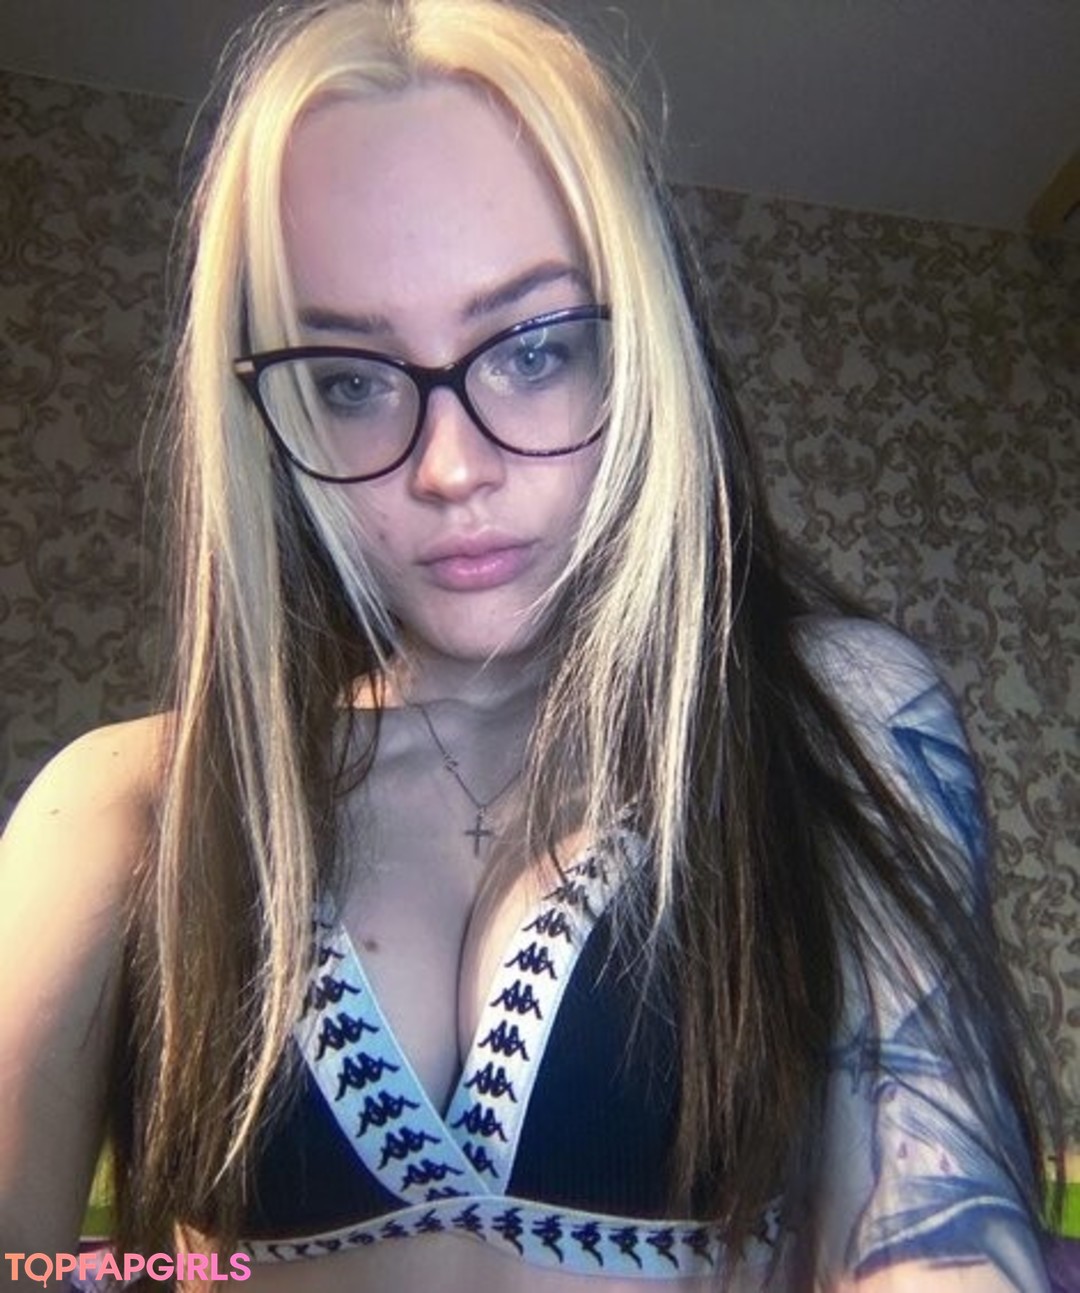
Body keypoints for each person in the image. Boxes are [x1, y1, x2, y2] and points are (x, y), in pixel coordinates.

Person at [0, 1, 1059, 1289]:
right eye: (348, 380)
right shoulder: (126, 807)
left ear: (641, 355)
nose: (450, 468)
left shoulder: (831, 719)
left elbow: (938, 1238)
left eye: (536, 349)